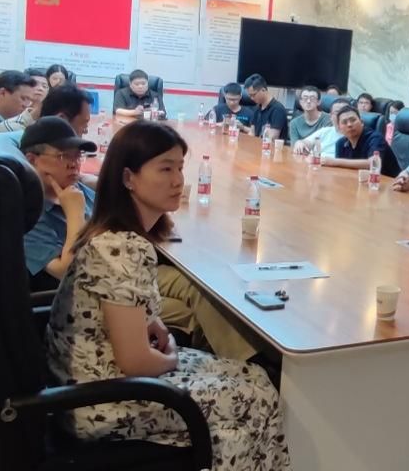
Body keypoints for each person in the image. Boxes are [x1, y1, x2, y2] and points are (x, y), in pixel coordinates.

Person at [44, 121, 292, 471]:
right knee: (253, 397)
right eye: (164, 169)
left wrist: (152, 321)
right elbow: (138, 363)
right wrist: (172, 356)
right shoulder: (123, 248)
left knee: (253, 378)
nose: (178, 180)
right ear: (128, 177)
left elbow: (114, 313)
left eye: (180, 167)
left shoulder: (111, 234)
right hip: (100, 399)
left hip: (82, 381)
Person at [21, 116, 256, 362]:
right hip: (97, 297)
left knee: (198, 286)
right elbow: (67, 269)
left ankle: (245, 361)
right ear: (32, 160)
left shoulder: (79, 191)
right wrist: (74, 214)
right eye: (63, 157)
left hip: (124, 276)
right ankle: (241, 364)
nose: (73, 164)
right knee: (192, 312)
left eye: (77, 156)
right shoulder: (30, 214)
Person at [322, 106, 398, 176]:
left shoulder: (375, 138)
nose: (349, 125)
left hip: (387, 182)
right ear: (339, 128)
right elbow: (340, 170)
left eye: (353, 120)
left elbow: (373, 164)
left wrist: (335, 161)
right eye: (344, 122)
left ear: (361, 122)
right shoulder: (340, 143)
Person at [243, 74, 287, 140]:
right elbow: (252, 132)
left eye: (253, 95)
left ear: (263, 90)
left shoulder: (278, 110)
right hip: (256, 144)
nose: (251, 98)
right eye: (250, 96)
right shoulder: (257, 108)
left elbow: (273, 138)